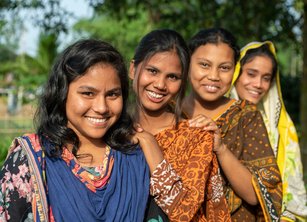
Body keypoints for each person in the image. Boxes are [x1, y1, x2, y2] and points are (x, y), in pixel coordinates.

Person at [0, 39, 166, 221]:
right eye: (88, 93)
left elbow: (176, 211)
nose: (102, 107)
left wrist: (154, 153)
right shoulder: (30, 160)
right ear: (62, 93)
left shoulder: (134, 156)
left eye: (112, 94)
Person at [129, 29, 231, 222]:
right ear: (133, 69)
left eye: (172, 77)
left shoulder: (196, 137)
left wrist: (150, 146)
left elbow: (185, 211)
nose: (160, 84)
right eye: (152, 71)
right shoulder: (112, 131)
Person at [182, 28, 283, 221]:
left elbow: (256, 195)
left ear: (235, 70)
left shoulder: (245, 115)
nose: (214, 76)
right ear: (187, 63)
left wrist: (220, 148)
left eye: (224, 68)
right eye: (204, 65)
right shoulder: (170, 112)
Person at [230, 41, 307, 221]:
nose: (258, 84)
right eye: (251, 74)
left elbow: (293, 192)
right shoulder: (214, 117)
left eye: (266, 78)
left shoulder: (282, 128)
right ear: (236, 73)